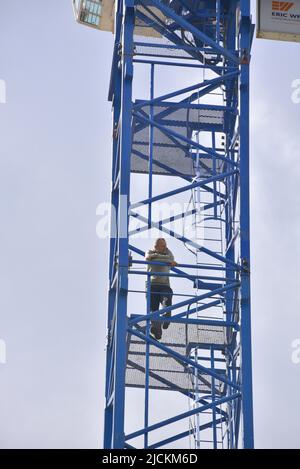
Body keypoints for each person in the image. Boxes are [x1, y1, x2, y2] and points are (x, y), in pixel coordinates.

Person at [145, 238, 177, 340]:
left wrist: (155, 258)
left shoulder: (168, 252)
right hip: (152, 285)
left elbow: (170, 259)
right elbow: (147, 257)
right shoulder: (149, 251)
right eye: (160, 245)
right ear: (155, 246)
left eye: (164, 245)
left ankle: (167, 317)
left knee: (166, 300)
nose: (163, 247)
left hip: (164, 285)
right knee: (153, 310)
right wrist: (166, 260)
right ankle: (157, 330)